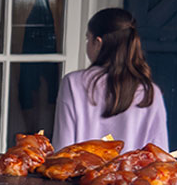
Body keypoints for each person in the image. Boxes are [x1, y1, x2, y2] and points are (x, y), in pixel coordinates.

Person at [52, 8, 168, 151]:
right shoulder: (150, 92)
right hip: (132, 174)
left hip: (81, 173)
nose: (87, 44)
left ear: (98, 42)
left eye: (88, 38)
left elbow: (62, 149)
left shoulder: (73, 83)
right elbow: (160, 157)